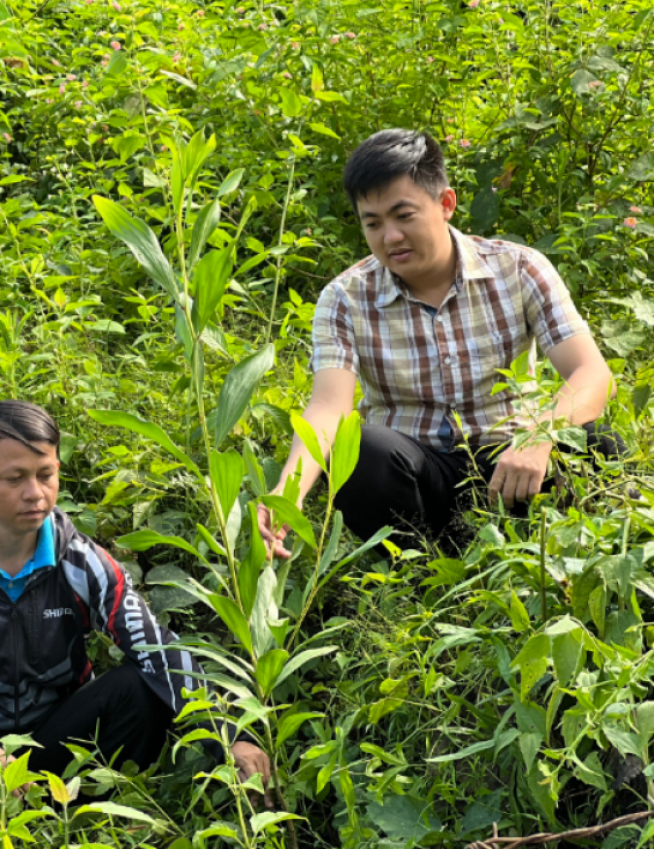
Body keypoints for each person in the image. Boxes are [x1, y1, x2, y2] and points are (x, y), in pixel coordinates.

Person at [0, 400, 272, 806]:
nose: (35, 494)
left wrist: (230, 736)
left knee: (139, 688)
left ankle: (92, 809)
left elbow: (156, 647)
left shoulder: (82, 561)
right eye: (14, 478)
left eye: (45, 475)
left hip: (60, 739)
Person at [256, 129, 621, 557]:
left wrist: (538, 438)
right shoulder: (345, 298)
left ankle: (547, 554)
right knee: (360, 452)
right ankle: (418, 573)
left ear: (445, 204)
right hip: (415, 477)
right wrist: (288, 489)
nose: (389, 237)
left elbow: (592, 373)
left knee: (596, 441)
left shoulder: (518, 268)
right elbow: (328, 407)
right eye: (372, 223)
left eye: (403, 215)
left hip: (515, 467)